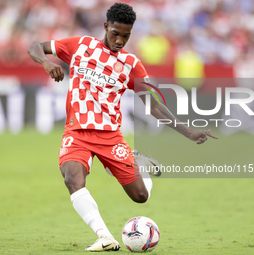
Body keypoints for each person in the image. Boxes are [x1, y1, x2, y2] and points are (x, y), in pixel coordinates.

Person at [28, 2, 218, 252]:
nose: (119, 40)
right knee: (72, 178)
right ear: (106, 26)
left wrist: (188, 132)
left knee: (141, 196)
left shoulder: (132, 65)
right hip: (77, 132)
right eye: (115, 33)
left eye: (126, 36)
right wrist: (46, 62)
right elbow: (35, 47)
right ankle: (105, 237)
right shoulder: (80, 46)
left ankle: (141, 164)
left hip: (110, 136)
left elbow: (154, 106)